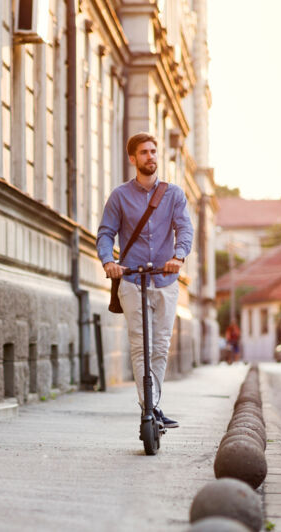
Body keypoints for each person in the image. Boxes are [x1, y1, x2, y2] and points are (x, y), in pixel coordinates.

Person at [97, 132, 193, 429]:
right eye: (144, 152)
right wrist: (109, 261)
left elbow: (184, 229)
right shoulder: (120, 196)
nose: (151, 156)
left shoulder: (174, 194)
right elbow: (105, 233)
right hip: (132, 280)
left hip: (165, 281)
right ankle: (148, 408)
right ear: (132, 159)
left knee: (161, 346)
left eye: (154, 151)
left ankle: (155, 404)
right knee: (140, 346)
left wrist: (178, 256)